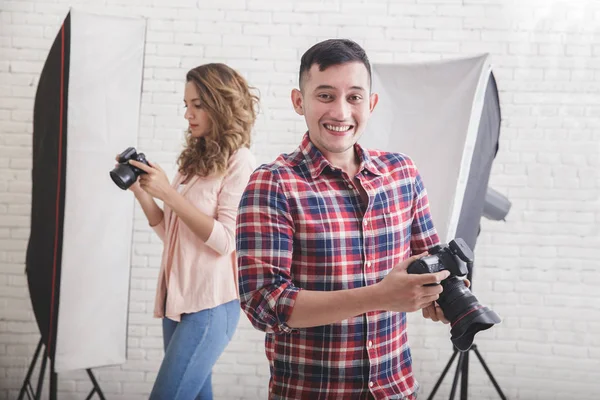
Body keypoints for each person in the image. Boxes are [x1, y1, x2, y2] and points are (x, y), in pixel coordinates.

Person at [235, 39, 468, 399]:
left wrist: (442, 295)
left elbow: (428, 260)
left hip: (397, 390)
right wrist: (380, 296)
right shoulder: (273, 183)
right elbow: (264, 304)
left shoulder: (401, 173)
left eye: (354, 97)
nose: (341, 112)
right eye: (325, 96)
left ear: (371, 104)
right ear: (300, 101)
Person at [122, 63, 258, 400]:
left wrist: (168, 193)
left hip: (210, 308)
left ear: (220, 105)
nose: (188, 114)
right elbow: (173, 236)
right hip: (177, 301)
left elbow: (226, 240)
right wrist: (142, 191)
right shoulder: (194, 160)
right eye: (186, 105)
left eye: (197, 105)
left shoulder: (241, 162)